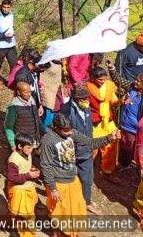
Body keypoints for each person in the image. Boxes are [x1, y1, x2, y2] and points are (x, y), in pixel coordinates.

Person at [40, 114, 120, 235]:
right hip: (59, 184)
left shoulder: (72, 133)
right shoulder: (48, 140)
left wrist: (109, 138)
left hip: (73, 180)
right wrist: (53, 188)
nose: (69, 133)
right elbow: (45, 166)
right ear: (56, 128)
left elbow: (90, 143)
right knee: (59, 214)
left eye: (70, 130)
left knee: (76, 211)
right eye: (66, 131)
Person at [59, 85, 101, 215]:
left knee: (87, 177)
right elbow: (63, 133)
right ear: (76, 99)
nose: (86, 101)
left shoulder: (86, 107)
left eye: (87, 98)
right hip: (72, 150)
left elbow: (88, 126)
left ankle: (86, 201)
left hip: (86, 149)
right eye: (83, 99)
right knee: (69, 178)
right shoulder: (66, 111)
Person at [86, 65, 123, 174]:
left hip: (108, 119)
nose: (103, 81)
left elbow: (114, 101)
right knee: (93, 146)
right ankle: (86, 169)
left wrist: (121, 101)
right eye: (100, 80)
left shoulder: (110, 86)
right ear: (93, 78)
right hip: (95, 121)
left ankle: (108, 169)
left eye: (105, 79)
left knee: (112, 143)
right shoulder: (87, 87)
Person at [6, 133, 40, 237]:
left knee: (23, 214)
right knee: (24, 216)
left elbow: (25, 167)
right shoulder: (13, 160)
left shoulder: (27, 154)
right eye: (29, 147)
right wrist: (29, 175)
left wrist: (31, 169)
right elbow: (13, 178)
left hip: (27, 187)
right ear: (20, 147)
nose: (31, 150)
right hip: (19, 190)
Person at [4, 81, 42, 152]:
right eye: (26, 92)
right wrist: (12, 144)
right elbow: (8, 127)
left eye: (30, 92)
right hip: (22, 143)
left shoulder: (31, 100)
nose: (29, 94)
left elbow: (36, 118)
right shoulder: (14, 107)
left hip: (32, 140)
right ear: (18, 92)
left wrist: (43, 129)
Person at [121, 74, 143, 168]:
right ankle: (124, 164)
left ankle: (135, 167)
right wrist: (112, 69)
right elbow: (119, 80)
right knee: (124, 146)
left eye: (138, 81)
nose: (135, 82)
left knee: (132, 148)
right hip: (124, 125)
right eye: (136, 80)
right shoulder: (132, 88)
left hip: (134, 129)